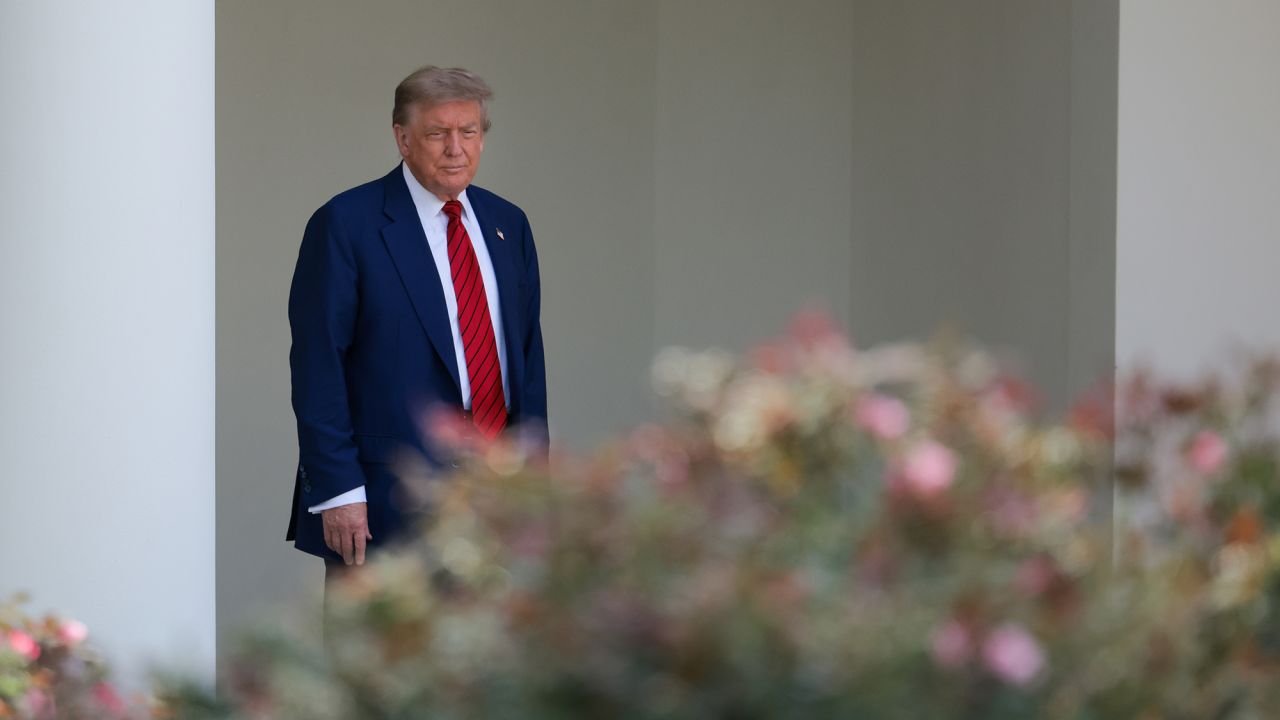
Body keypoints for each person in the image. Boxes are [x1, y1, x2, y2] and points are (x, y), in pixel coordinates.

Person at [285, 66, 548, 578]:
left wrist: (534, 484)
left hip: (493, 495)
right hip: (384, 500)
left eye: (468, 132)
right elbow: (319, 365)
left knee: (491, 654)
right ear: (402, 139)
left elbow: (528, 359)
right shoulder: (347, 224)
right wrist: (339, 489)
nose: (456, 148)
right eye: (437, 133)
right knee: (377, 655)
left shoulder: (507, 224)